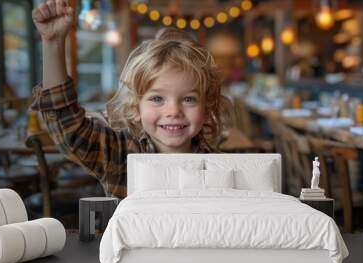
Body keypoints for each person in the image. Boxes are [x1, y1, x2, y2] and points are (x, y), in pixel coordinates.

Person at [31, 0, 230, 198]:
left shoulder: (221, 169)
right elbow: (68, 127)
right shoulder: (119, 154)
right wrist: (53, 43)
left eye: (188, 99)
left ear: (207, 107)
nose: (173, 111)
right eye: (158, 98)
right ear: (136, 108)